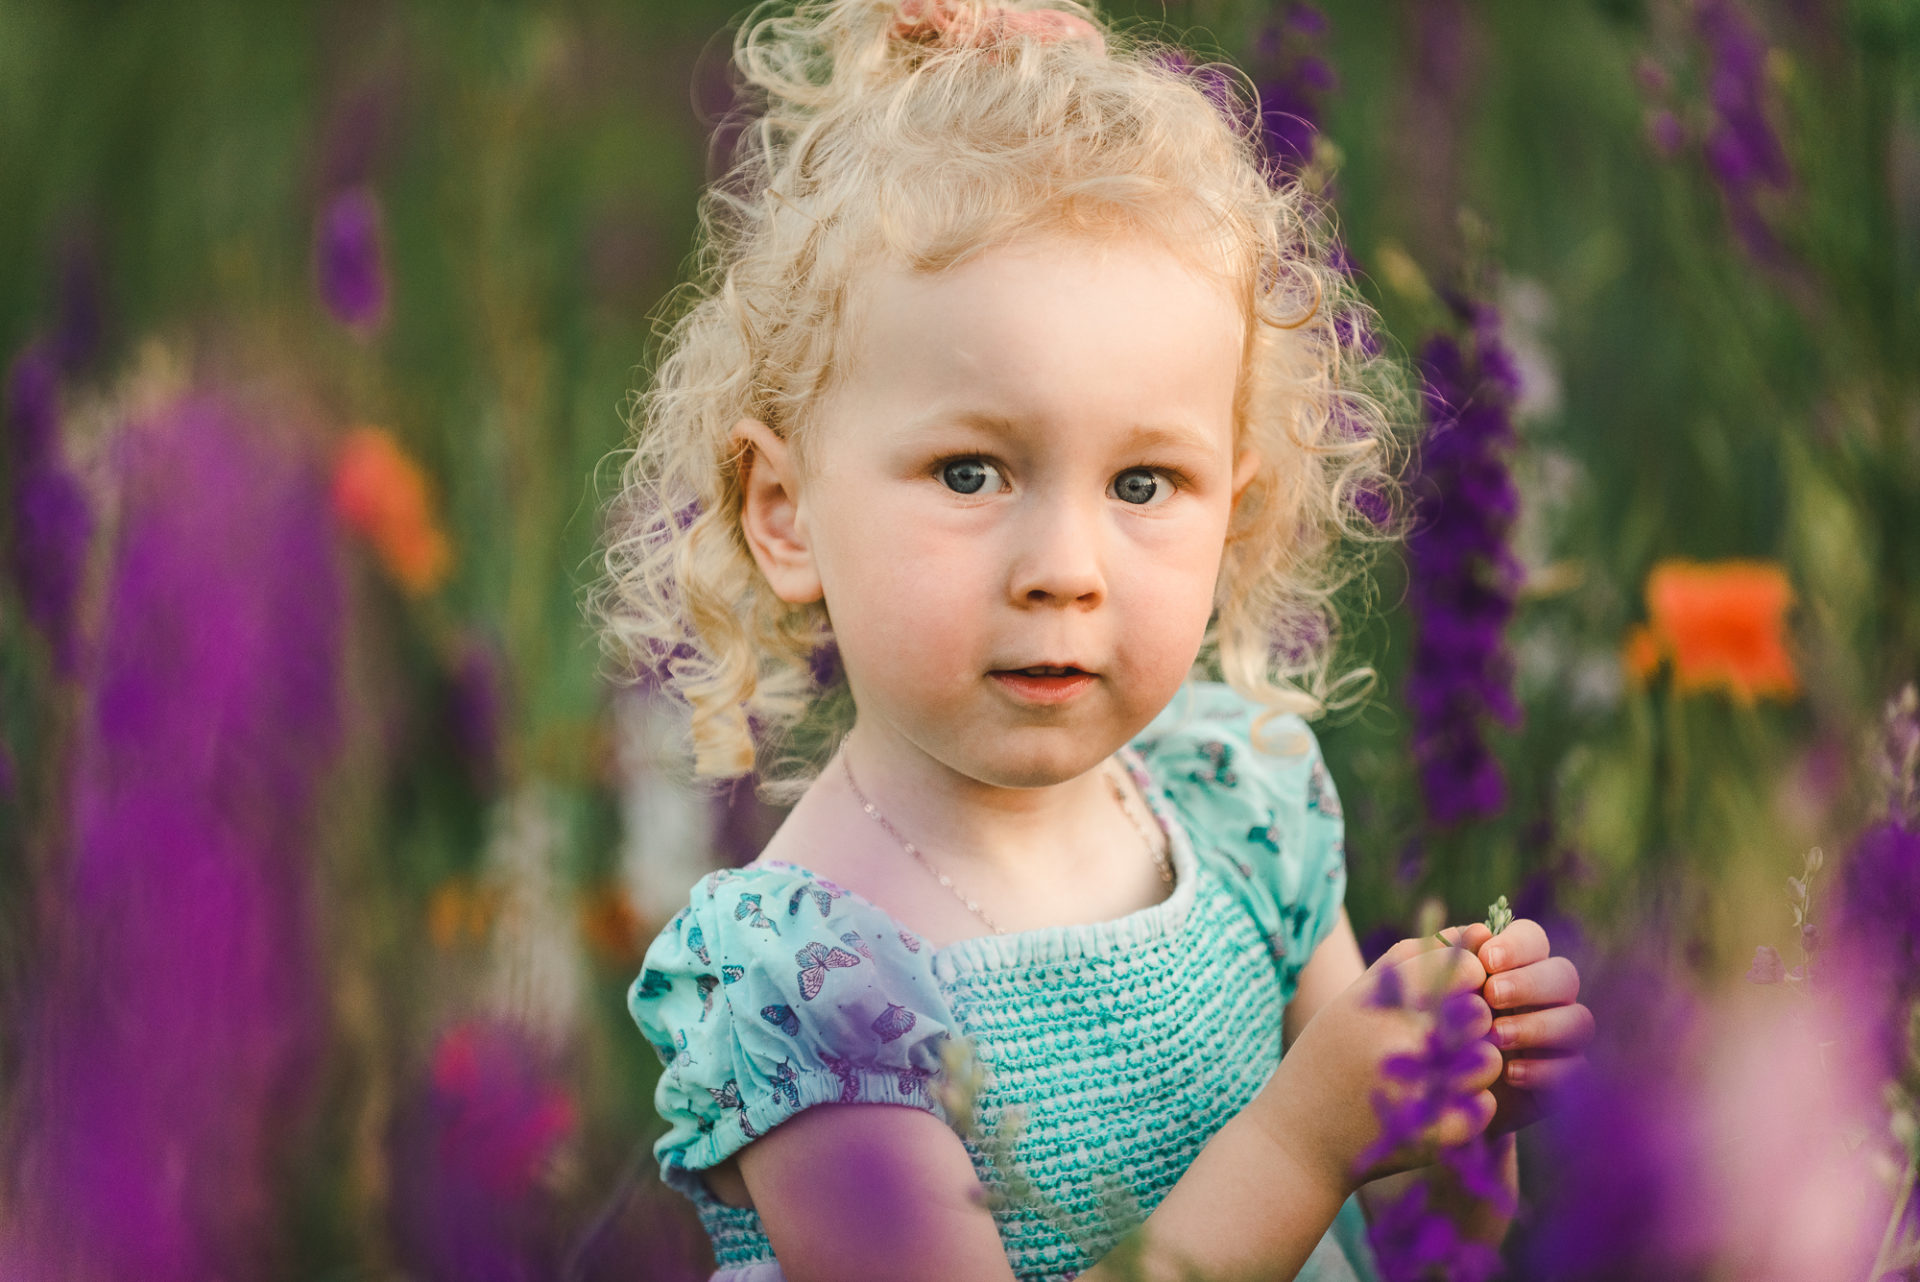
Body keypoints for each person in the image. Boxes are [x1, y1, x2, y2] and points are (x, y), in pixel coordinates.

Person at [590, 2, 1594, 1278]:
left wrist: (1453, 1115)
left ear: (1240, 506)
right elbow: (1309, 1160)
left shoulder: (1240, 806)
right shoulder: (815, 983)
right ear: (783, 513)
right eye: (969, 471)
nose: (1065, 571)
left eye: (1142, 484)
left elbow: (1397, 1236)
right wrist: (1306, 1138)